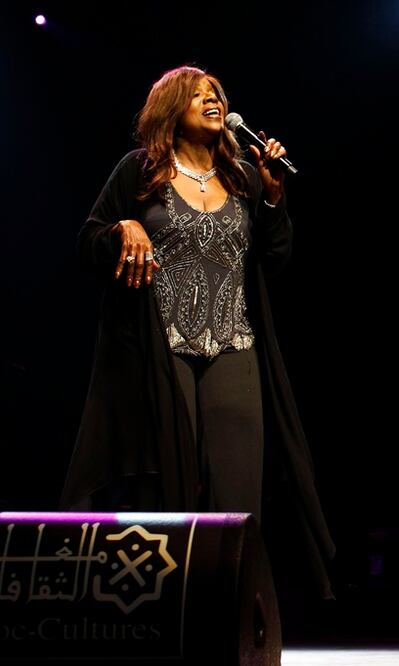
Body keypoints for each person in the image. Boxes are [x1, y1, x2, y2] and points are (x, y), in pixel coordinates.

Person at [61, 66, 335, 598]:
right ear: (171, 108)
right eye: (199, 95)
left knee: (238, 493)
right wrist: (124, 226)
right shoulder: (139, 171)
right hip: (161, 348)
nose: (214, 101)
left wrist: (274, 198)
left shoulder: (245, 178)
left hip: (233, 343)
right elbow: (87, 241)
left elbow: (274, 260)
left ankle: (234, 611)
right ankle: (168, 607)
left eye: (217, 95)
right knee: (170, 489)